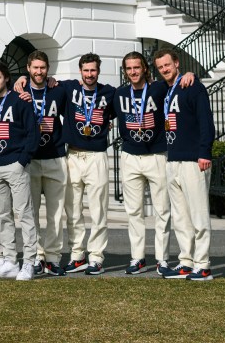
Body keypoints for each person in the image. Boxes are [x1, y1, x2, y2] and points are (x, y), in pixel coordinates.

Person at [156, 48, 216, 281]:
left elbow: (206, 122)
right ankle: (186, 261)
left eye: (167, 65)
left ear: (177, 63)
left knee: (198, 215)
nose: (164, 70)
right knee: (180, 217)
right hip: (173, 160)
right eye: (160, 67)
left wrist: (204, 153)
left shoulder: (193, 87)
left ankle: (203, 265)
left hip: (194, 160)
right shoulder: (167, 89)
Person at [117, 51, 172, 276]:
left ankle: (162, 259)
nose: (133, 72)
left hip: (157, 155)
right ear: (125, 71)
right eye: (129, 68)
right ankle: (138, 258)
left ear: (145, 68)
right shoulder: (119, 93)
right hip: (130, 157)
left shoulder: (159, 88)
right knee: (134, 212)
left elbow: (179, 83)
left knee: (162, 210)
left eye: (136, 67)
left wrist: (191, 75)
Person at [0, 62, 39, 281]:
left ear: (6, 78)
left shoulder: (20, 101)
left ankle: (29, 262)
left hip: (15, 164)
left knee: (24, 214)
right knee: (3, 216)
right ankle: (9, 261)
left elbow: (32, 133)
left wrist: (22, 161)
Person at [61, 53, 117, 274]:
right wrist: (20, 80)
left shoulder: (108, 92)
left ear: (98, 71)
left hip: (96, 156)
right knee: (73, 210)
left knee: (98, 210)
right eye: (86, 70)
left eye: (93, 70)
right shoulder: (69, 88)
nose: (89, 74)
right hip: (73, 155)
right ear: (80, 71)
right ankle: (77, 255)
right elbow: (41, 80)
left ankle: (96, 256)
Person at [20, 51, 71, 276]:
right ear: (28, 69)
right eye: (35, 68)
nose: (39, 72)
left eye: (43, 68)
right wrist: (17, 84)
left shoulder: (58, 90)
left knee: (55, 212)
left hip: (55, 156)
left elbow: (81, 84)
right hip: (30, 160)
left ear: (48, 68)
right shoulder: (20, 92)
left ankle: (52, 257)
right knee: (31, 213)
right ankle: (37, 256)